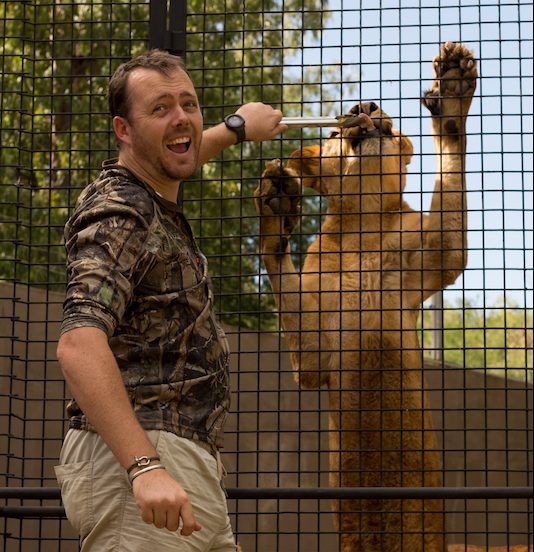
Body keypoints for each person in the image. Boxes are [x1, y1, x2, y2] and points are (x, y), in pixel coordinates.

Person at [55, 49, 287, 551]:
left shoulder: (149, 192)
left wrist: (237, 126)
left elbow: (178, 154)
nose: (181, 118)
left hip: (184, 463)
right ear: (123, 129)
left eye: (189, 104)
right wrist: (144, 467)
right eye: (160, 108)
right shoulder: (122, 212)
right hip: (144, 460)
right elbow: (78, 343)